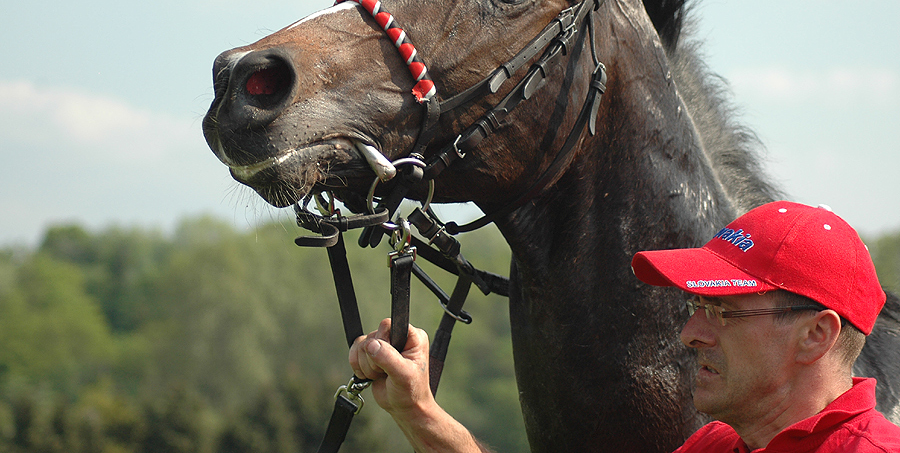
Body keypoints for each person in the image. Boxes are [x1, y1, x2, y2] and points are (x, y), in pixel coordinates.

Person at [349, 201, 900, 452]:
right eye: (695, 307)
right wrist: (416, 409)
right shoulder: (719, 443)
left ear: (816, 336)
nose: (691, 334)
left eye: (724, 312)